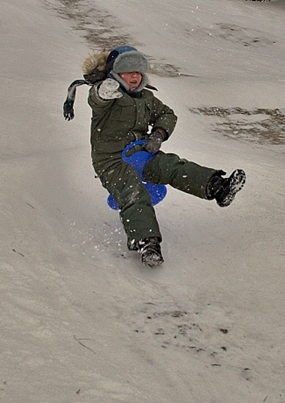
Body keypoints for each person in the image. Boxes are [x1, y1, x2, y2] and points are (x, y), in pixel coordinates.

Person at [77, 47, 246, 267]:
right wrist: (102, 92)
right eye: (129, 71)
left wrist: (158, 134)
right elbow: (96, 100)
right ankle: (147, 243)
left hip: (139, 152)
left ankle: (218, 187)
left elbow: (167, 115)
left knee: (171, 165)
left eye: (138, 71)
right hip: (111, 161)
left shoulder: (147, 98)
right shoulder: (108, 93)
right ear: (116, 74)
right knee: (132, 192)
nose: (135, 76)